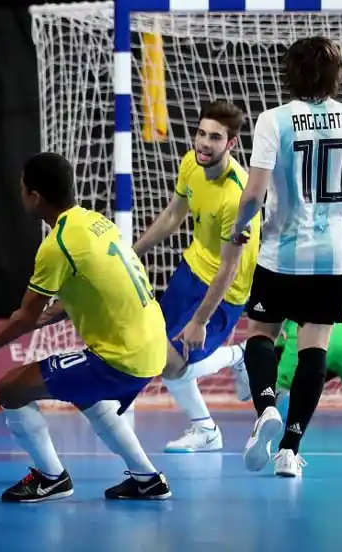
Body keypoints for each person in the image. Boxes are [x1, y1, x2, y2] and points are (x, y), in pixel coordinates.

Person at [0, 152, 172, 503]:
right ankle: (147, 479)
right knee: (84, 392)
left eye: (22, 189)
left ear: (35, 197)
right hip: (154, 341)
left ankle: (51, 478)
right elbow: (99, 283)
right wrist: (57, 312)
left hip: (124, 355)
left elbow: (25, 319)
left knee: (11, 389)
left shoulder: (56, 245)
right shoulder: (95, 221)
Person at [230, 37, 342, 477]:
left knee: (260, 333)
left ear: (289, 73)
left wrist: (238, 229)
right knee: (315, 348)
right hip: (332, 259)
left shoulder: (273, 121)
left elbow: (254, 194)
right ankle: (290, 452)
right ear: (337, 75)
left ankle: (265, 410)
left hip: (281, 254)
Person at [132, 101, 257, 453]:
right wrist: (132, 254)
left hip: (226, 289)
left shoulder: (238, 197)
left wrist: (200, 320)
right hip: (191, 270)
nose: (203, 143)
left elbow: (229, 268)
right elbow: (173, 216)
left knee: (172, 363)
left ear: (231, 144)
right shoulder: (191, 162)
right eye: (201, 133)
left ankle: (238, 357)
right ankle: (204, 429)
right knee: (159, 352)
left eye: (214, 138)